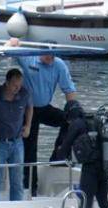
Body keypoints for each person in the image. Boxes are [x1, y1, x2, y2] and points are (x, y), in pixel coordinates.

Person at [7, 38, 77, 196]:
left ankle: (58, 154)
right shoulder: (29, 57)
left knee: (71, 121)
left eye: (53, 55)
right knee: (30, 148)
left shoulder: (58, 64)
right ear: (40, 52)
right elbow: (13, 48)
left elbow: (69, 89)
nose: (50, 58)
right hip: (27, 109)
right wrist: (14, 42)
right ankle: (30, 188)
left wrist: (75, 109)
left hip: (44, 107)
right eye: (47, 55)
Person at [53, 100, 108, 208]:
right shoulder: (95, 121)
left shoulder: (77, 124)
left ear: (69, 115)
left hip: (90, 169)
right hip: (104, 168)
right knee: (103, 202)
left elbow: (66, 146)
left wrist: (59, 155)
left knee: (85, 203)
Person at [0, 68, 33, 201]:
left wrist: (28, 125)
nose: (17, 88)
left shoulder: (24, 94)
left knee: (18, 182)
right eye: (15, 85)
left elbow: (30, 107)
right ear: (7, 83)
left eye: (20, 85)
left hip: (17, 142)